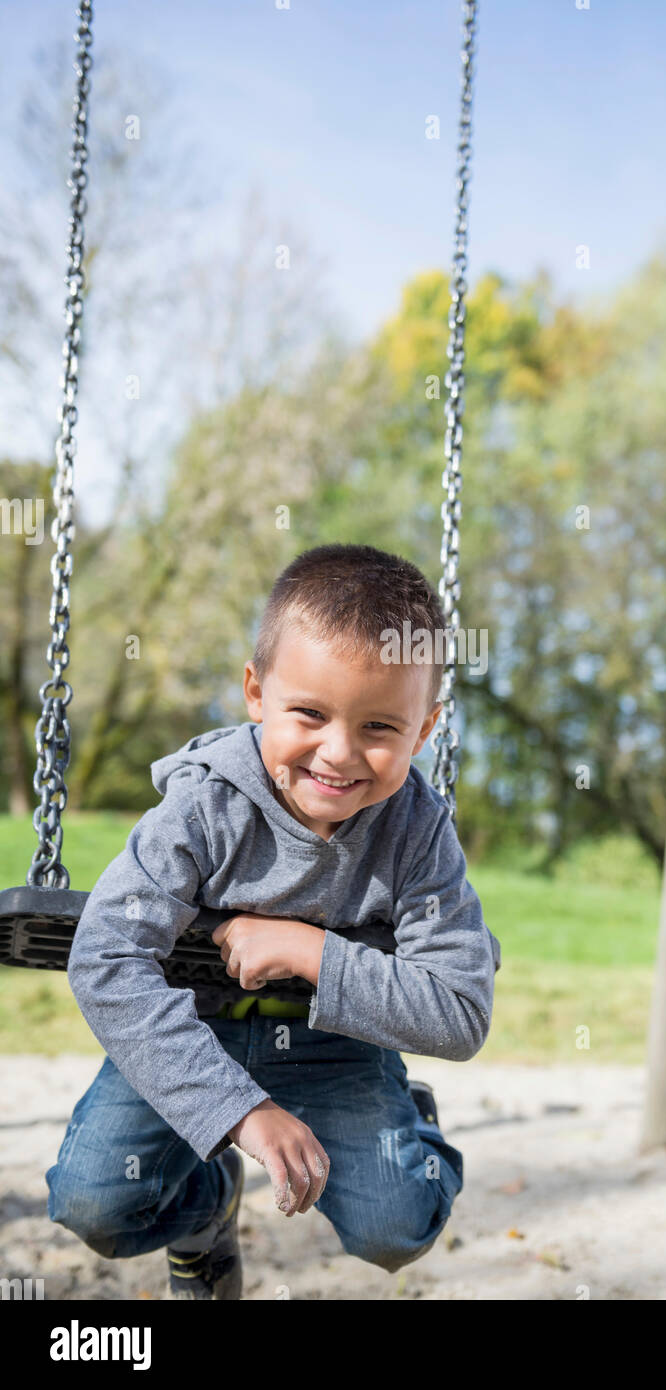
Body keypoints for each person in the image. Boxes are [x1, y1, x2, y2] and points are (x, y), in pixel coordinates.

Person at [45, 542, 501, 1299]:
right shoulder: (202, 807)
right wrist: (237, 1111)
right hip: (194, 1032)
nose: (339, 753)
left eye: (380, 728)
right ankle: (207, 1207)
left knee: (397, 1228)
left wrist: (306, 947)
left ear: (424, 732)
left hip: (339, 1047)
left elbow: (459, 1011)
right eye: (309, 714)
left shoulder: (416, 831)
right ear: (256, 692)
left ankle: (406, 1117)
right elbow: (106, 959)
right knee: (96, 1206)